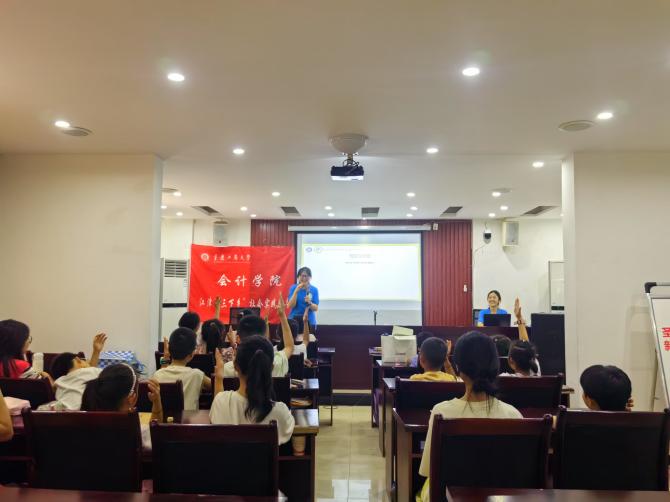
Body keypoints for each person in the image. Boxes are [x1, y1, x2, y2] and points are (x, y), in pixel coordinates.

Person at [416, 331, 522, 502]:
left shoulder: (441, 412)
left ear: (458, 368)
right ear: (495, 367)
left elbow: (428, 470)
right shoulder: (513, 415)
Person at [210, 335, 295, 444]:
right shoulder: (281, 412)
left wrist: (218, 379)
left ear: (235, 366)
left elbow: (218, 405)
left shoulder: (221, 401)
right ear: (271, 368)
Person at [81, 364, 162, 450]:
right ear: (132, 398)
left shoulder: (80, 427)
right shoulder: (136, 434)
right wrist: (157, 402)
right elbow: (154, 431)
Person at [223, 294, 294, 378]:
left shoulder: (228, 369)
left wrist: (233, 344)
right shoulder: (275, 363)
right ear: (264, 337)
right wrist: (282, 316)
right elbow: (289, 346)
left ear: (238, 339)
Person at [154, 327, 212, 410]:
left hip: (163, 418)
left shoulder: (157, 375)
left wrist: (165, 358)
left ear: (170, 350)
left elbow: (162, 371)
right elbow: (215, 386)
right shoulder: (197, 375)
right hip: (189, 418)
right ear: (192, 354)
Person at [49, 333, 108, 410]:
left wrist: (48, 377)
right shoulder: (93, 371)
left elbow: (89, 371)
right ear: (78, 359)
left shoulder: (59, 381)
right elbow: (91, 370)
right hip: (87, 412)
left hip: (62, 413)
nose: (87, 362)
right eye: (85, 361)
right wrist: (96, 352)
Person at [500, 298, 541, 377]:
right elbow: (526, 345)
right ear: (533, 359)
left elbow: (526, 345)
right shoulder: (536, 373)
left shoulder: (504, 378)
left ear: (511, 361)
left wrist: (519, 318)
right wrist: (519, 318)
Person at [287, 267, 319, 332]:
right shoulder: (293, 288)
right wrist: (296, 291)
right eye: (302, 276)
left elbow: (315, 308)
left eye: (306, 276)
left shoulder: (314, 289)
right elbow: (290, 305)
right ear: (298, 277)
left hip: (309, 321)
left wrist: (310, 303)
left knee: (308, 338)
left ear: (310, 277)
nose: (304, 278)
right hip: (294, 321)